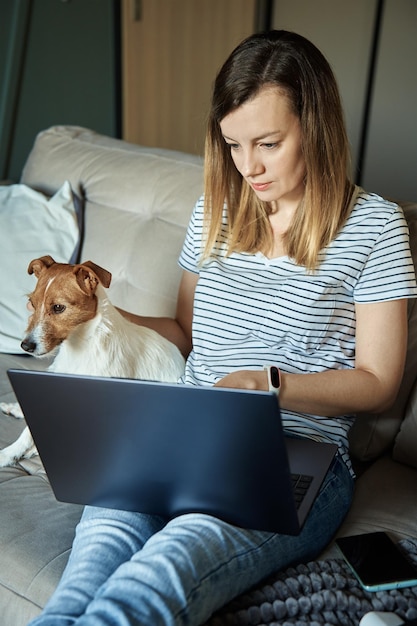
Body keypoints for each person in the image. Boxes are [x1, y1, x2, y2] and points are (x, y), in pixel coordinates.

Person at [29, 30, 417, 626]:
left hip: (292, 453)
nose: (248, 166)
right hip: (177, 436)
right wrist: (99, 316)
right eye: (233, 144)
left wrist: (270, 383)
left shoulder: (376, 228)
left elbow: (379, 382)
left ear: (316, 125)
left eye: (267, 143)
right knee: (84, 578)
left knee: (158, 575)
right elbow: (185, 330)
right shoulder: (218, 210)